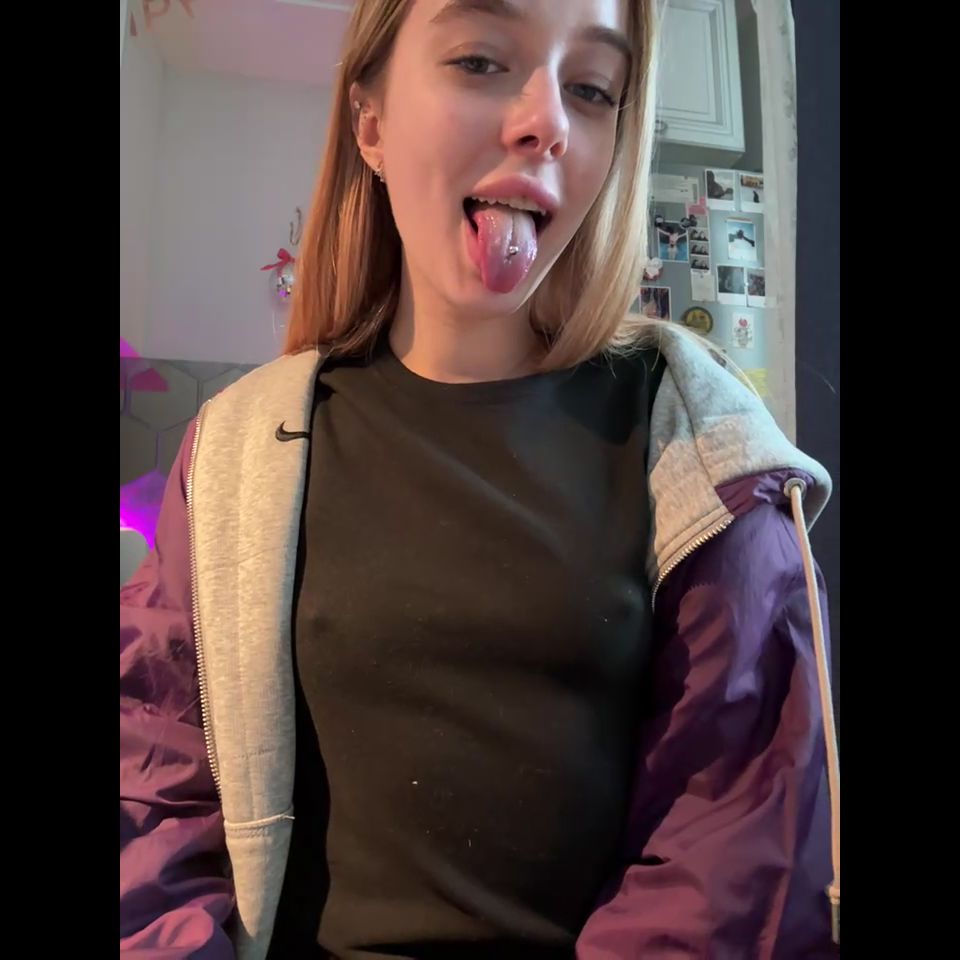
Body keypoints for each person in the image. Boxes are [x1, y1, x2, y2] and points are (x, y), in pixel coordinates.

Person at [120, 1, 840, 957]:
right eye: (479, 60)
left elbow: (732, 848)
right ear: (370, 124)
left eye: (593, 89)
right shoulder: (236, 451)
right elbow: (154, 784)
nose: (549, 120)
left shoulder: (702, 452)